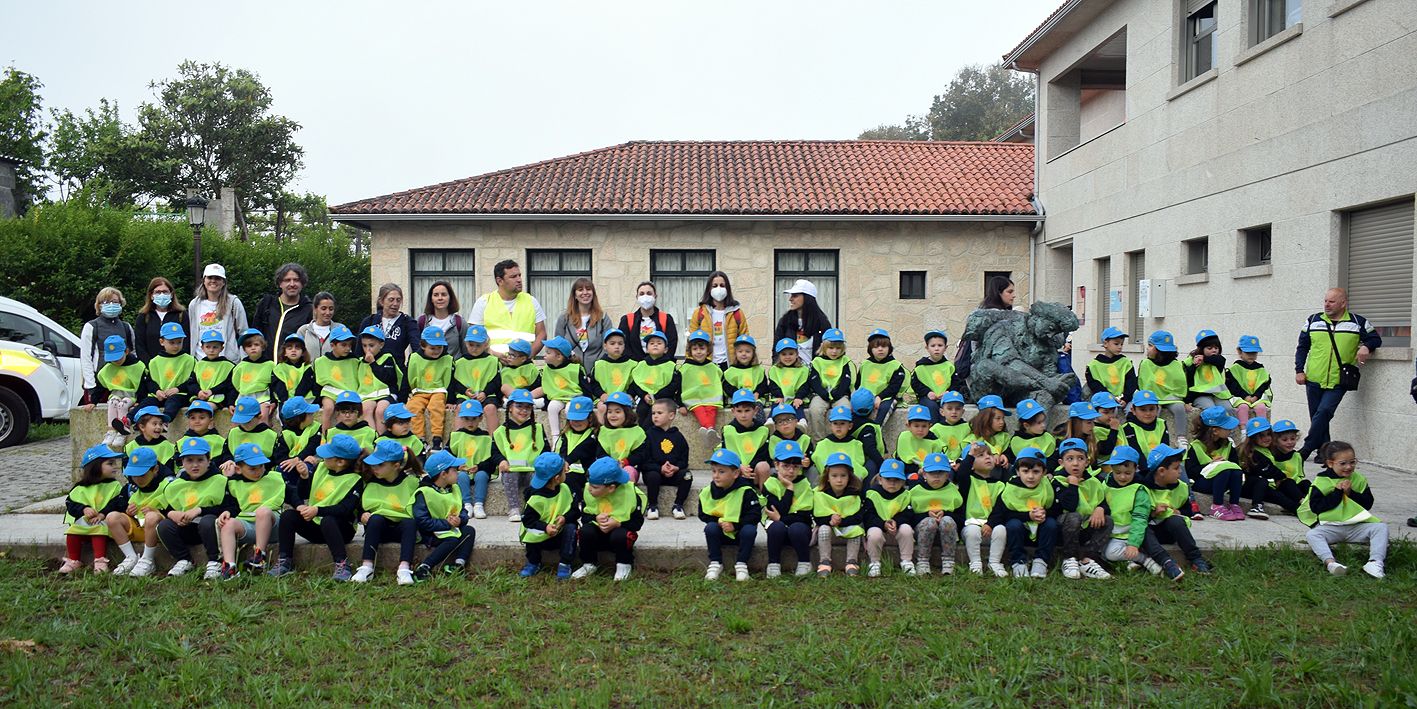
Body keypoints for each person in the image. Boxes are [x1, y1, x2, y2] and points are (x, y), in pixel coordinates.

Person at [1295, 288, 1381, 462]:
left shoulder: (1357, 322)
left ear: (1343, 303)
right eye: (1325, 301)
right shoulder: (1313, 320)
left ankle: (1307, 447)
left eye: (1331, 301)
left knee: (1324, 411)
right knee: (1319, 416)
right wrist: (1299, 370)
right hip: (1314, 378)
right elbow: (1302, 347)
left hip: (1339, 379)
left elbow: (1375, 338)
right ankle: (1325, 453)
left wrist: (1366, 346)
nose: (1327, 304)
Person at [268, 433, 364, 581]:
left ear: (340, 462)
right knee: (288, 516)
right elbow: (302, 493)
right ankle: (284, 560)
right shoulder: (321, 468)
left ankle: (342, 564)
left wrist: (317, 510)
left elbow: (345, 509)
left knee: (328, 520)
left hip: (341, 530)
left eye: (328, 455)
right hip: (316, 526)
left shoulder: (355, 480)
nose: (323, 457)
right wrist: (304, 477)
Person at [1299, 441, 1386, 578]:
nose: (1349, 467)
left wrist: (1351, 493)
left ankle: (1375, 562)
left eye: (1352, 462)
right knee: (1313, 535)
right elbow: (1317, 508)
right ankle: (1331, 563)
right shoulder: (1321, 481)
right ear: (1330, 463)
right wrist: (1337, 493)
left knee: (1380, 528)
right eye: (1343, 463)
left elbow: (1368, 504)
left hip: (1356, 526)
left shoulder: (1359, 479)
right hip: (1331, 527)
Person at [156, 437, 232, 578]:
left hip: (211, 530)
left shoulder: (220, 480)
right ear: (182, 462)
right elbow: (165, 507)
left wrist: (200, 510)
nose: (195, 465)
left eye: (200, 460)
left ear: (209, 460)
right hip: (186, 527)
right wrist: (172, 514)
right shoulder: (176, 484)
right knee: (164, 525)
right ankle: (184, 560)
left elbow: (227, 507)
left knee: (207, 520)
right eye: (189, 460)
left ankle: (214, 561)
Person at [990, 447, 1071, 579]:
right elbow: (1004, 514)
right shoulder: (1010, 489)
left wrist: (1045, 512)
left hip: (1041, 532)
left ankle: (1041, 560)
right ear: (1017, 471)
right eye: (1025, 471)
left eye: (1036, 472)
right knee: (1013, 525)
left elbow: (1057, 509)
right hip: (1021, 532)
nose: (1031, 476)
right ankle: (1018, 561)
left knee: (1051, 524)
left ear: (1044, 472)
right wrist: (1028, 516)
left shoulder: (1049, 486)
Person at [353, 439, 423, 585]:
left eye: (380, 465)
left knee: (409, 522)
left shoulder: (412, 482)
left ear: (396, 466)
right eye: (374, 464)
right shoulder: (370, 482)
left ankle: (404, 569)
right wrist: (362, 514)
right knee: (376, 519)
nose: (375, 468)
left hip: (403, 532)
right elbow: (360, 506)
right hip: (378, 530)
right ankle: (367, 567)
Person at [214, 443, 284, 580]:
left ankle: (260, 557)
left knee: (262, 512)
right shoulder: (234, 483)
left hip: (273, 526)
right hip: (249, 526)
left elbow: (295, 494)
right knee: (228, 523)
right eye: (253, 468)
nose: (259, 471)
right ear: (238, 469)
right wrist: (226, 511)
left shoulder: (275, 478)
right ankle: (229, 566)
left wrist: (300, 505)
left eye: (261, 466)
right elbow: (231, 505)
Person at [571, 456, 647, 581]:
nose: (589, 489)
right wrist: (595, 518)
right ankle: (589, 563)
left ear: (611, 488)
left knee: (620, 535)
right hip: (598, 535)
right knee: (585, 531)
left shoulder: (631, 493)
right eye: (589, 484)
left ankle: (624, 564)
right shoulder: (588, 491)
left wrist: (618, 523)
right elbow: (584, 517)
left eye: (595, 487)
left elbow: (637, 523)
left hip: (619, 535)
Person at [1143, 443, 1214, 577]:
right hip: (1149, 533)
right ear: (1162, 471)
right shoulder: (1143, 488)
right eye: (1176, 468)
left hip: (1169, 531)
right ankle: (1167, 562)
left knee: (1175, 521)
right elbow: (1136, 516)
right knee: (1142, 530)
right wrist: (1152, 513)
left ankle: (1196, 559)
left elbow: (1188, 510)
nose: (1180, 472)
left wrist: (1179, 512)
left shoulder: (1181, 487)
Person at [58, 444, 127, 574]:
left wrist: (102, 514)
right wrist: (83, 509)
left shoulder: (115, 486)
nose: (115, 467)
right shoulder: (80, 487)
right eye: (110, 463)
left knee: (98, 528)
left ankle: (99, 560)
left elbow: (117, 503)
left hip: (104, 523)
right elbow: (71, 504)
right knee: (72, 531)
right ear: (95, 466)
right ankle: (73, 560)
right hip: (84, 523)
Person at [412, 450, 476, 580]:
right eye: (454, 470)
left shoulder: (454, 488)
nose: (458, 473)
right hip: (430, 533)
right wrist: (446, 523)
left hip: (450, 528)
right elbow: (422, 521)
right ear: (443, 474)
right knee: (451, 540)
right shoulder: (424, 492)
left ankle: (459, 565)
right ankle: (425, 566)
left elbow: (462, 510)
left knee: (469, 531)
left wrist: (460, 520)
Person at [700, 448, 763, 582]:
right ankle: (715, 563)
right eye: (714, 471)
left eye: (721, 472)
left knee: (750, 530)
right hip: (721, 531)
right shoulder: (707, 491)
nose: (716, 475)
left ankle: (741, 564)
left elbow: (755, 514)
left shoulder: (746, 491)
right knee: (710, 528)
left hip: (739, 532)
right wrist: (718, 522)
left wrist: (735, 525)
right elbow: (703, 514)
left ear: (735, 473)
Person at [1054, 438, 1111, 580]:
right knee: (1074, 516)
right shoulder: (1057, 481)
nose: (1075, 463)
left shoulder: (1094, 482)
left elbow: (1104, 504)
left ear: (1086, 462)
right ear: (1061, 463)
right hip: (1064, 529)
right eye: (1070, 459)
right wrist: (1073, 485)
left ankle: (1086, 559)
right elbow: (1069, 506)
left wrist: (1100, 508)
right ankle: (1069, 558)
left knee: (1108, 521)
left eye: (1080, 458)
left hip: (1085, 526)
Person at [469, 259, 548, 359]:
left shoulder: (531, 301)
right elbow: (474, 337)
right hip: (492, 365)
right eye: (513, 277)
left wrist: (527, 356)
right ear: (500, 281)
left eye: (519, 275)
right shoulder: (484, 302)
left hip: (523, 367)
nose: (519, 280)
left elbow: (541, 334)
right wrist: (494, 354)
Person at [490, 389, 547, 523]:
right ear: (510, 407)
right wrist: (501, 461)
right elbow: (494, 452)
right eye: (519, 406)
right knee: (510, 476)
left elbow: (546, 450)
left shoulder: (538, 428)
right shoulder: (500, 431)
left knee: (537, 479)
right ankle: (514, 508)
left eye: (528, 407)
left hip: (532, 471)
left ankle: (532, 507)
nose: (524, 410)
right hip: (511, 471)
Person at [520, 452, 579, 580]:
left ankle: (565, 563)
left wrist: (565, 518)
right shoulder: (534, 498)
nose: (566, 473)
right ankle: (533, 562)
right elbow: (528, 521)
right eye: (564, 471)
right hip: (540, 535)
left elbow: (575, 511)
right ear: (557, 478)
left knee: (571, 527)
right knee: (531, 533)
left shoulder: (566, 489)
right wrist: (545, 527)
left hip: (560, 533)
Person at [763, 440, 815, 578]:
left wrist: (780, 518)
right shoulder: (770, 484)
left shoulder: (804, 484)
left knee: (797, 527)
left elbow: (804, 515)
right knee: (776, 527)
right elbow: (777, 508)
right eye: (786, 466)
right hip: (778, 532)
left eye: (796, 466)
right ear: (776, 465)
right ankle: (773, 564)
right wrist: (789, 489)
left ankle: (804, 562)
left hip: (799, 531)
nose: (791, 471)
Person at [79, 287, 137, 405]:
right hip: (98, 381)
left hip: (122, 382)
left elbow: (133, 353)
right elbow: (85, 358)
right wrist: (90, 385)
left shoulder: (126, 327)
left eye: (115, 302)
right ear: (99, 305)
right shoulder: (91, 326)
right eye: (106, 302)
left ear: (121, 304)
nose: (111, 305)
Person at [84, 335, 143, 447]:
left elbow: (142, 385)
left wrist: (140, 400)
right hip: (115, 394)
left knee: (123, 405)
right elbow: (100, 387)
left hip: (130, 395)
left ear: (126, 351)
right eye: (112, 359)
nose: (115, 361)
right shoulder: (107, 368)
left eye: (118, 358)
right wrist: (93, 401)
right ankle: (111, 430)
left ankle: (122, 431)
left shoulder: (138, 366)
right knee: (112, 402)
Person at [1187, 405, 1245, 521]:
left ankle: (1234, 504)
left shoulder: (1227, 444)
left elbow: (1235, 464)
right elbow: (1190, 472)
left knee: (1236, 472)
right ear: (1215, 431)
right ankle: (1216, 506)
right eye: (1227, 427)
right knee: (1224, 471)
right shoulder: (1196, 446)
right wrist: (1211, 465)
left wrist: (1224, 463)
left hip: (1223, 483)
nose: (1230, 430)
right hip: (1203, 483)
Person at [813, 451, 866, 577]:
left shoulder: (855, 494)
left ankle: (851, 562)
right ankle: (824, 561)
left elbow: (858, 517)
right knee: (823, 529)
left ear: (849, 477)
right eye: (834, 476)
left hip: (846, 527)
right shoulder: (820, 493)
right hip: (829, 528)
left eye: (843, 476)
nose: (839, 480)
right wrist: (829, 520)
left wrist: (841, 521)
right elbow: (817, 516)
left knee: (856, 530)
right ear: (827, 477)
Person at [910, 452, 963, 576]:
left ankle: (948, 561)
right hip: (923, 529)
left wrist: (946, 513)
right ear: (924, 474)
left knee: (948, 521)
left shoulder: (953, 490)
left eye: (941, 473)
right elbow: (909, 517)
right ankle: (922, 561)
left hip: (947, 530)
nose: (937, 477)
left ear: (947, 474)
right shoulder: (915, 491)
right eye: (932, 473)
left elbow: (961, 517)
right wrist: (926, 515)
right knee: (929, 522)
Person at [863, 459, 916, 577]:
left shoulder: (906, 495)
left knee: (906, 529)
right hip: (878, 525)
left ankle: (907, 561)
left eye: (896, 480)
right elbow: (868, 516)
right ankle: (874, 562)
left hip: (897, 525)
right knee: (874, 533)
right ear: (880, 480)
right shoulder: (872, 494)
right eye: (888, 479)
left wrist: (896, 521)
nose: (892, 483)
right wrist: (883, 524)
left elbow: (908, 514)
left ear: (903, 481)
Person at [135, 322, 196, 422]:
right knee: (146, 402)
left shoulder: (190, 360)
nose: (176, 346)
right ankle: (128, 420)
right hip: (159, 395)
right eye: (172, 342)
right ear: (162, 342)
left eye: (179, 342)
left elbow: (193, 380)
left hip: (181, 394)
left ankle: (165, 421)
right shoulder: (154, 361)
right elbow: (149, 381)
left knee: (173, 401)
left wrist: (178, 389)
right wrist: (157, 391)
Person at [640, 399, 690, 520]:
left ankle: (678, 505)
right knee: (652, 476)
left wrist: (676, 467)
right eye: (653, 413)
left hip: (673, 473)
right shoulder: (648, 435)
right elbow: (644, 462)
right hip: (655, 473)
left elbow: (684, 460)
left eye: (659, 413)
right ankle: (652, 506)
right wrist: (660, 468)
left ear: (671, 415)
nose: (655, 416)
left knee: (687, 475)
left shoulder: (678, 436)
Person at [186, 263, 248, 362]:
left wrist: (245, 359)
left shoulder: (233, 302)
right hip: (201, 361)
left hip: (228, 361)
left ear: (223, 282)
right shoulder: (195, 304)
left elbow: (244, 332)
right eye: (210, 277)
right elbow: (192, 332)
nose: (213, 281)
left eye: (218, 278)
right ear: (204, 280)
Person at [1137, 330, 1189, 446]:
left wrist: (1184, 401)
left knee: (1179, 408)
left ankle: (1181, 437)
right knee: (1153, 410)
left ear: (1159, 350)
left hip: (1172, 397)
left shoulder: (1177, 365)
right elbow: (1143, 383)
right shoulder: (1146, 363)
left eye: (1150, 346)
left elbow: (1181, 384)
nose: (1147, 348)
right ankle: (1149, 434)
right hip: (1153, 397)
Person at [405, 326, 453, 450]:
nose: (437, 351)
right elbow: (408, 377)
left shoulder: (448, 359)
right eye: (432, 348)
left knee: (436, 407)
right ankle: (419, 438)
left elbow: (452, 381)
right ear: (422, 345)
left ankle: (437, 438)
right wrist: (406, 395)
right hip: (420, 391)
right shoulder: (414, 357)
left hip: (438, 391)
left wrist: (451, 400)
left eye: (439, 348)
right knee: (413, 407)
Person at [449, 399, 497, 519]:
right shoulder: (455, 436)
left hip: (480, 470)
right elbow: (448, 456)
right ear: (461, 418)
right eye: (466, 418)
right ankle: (467, 504)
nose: (470, 422)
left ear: (481, 418)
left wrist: (480, 466)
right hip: (462, 471)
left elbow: (491, 460)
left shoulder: (486, 437)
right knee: (461, 476)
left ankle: (479, 504)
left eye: (474, 418)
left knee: (481, 476)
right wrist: (456, 466)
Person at [449, 324, 502, 433]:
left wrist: (485, 393)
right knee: (460, 408)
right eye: (471, 345)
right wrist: (465, 391)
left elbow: (496, 381)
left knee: (490, 408)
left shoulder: (492, 361)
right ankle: (458, 440)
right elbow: (456, 382)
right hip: (466, 395)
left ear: (485, 344)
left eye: (478, 345)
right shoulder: (460, 362)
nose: (474, 348)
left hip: (487, 395)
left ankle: (494, 442)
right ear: (466, 343)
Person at [688, 271, 748, 366]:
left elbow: (745, 340)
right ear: (709, 289)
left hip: (730, 364)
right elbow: (690, 341)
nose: (718, 289)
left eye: (722, 285)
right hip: (706, 364)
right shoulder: (699, 313)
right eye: (715, 286)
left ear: (727, 288)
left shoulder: (737, 313)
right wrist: (690, 362)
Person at [553, 277, 614, 371]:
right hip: (570, 371)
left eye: (588, 289)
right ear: (575, 295)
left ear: (593, 294)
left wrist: (597, 367)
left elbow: (608, 347)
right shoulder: (564, 318)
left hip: (598, 372)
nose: (585, 293)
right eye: (580, 290)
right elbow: (558, 345)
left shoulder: (603, 318)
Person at [251, 263, 313, 354]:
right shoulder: (266, 304)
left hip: (293, 367)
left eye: (296, 280)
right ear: (280, 283)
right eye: (287, 280)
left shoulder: (309, 309)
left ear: (302, 283)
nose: (292, 284)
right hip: (266, 365)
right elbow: (255, 335)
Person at [541, 336, 591, 446]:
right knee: (552, 407)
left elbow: (585, 387)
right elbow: (547, 387)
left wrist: (588, 401)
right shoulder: (546, 369)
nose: (545, 355)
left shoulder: (575, 368)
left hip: (574, 397)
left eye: (548, 353)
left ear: (559, 356)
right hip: (558, 397)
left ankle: (570, 434)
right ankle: (555, 437)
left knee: (570, 409)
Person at [804, 328, 854, 438]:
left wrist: (838, 393)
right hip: (821, 394)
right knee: (815, 410)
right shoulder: (817, 361)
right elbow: (814, 380)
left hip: (839, 394)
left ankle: (842, 439)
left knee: (846, 409)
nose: (834, 351)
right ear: (824, 347)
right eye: (831, 348)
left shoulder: (844, 361)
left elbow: (846, 379)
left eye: (838, 348)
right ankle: (819, 441)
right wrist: (823, 393)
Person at [616, 281, 679, 361]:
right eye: (641, 294)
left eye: (649, 293)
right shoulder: (627, 320)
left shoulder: (666, 318)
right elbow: (624, 345)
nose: (645, 296)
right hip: (635, 367)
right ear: (637, 297)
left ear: (655, 296)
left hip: (660, 365)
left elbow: (671, 344)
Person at [722, 389, 773, 487]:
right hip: (736, 469)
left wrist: (748, 469)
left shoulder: (763, 430)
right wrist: (739, 467)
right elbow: (726, 454)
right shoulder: (727, 430)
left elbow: (763, 455)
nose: (743, 415)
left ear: (755, 410)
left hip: (754, 472)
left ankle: (764, 496)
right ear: (733, 411)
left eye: (747, 410)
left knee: (764, 466)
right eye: (739, 411)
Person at [773, 279, 831, 364]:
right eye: (791, 295)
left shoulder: (822, 322)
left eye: (795, 295)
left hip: (815, 374)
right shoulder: (785, 321)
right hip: (791, 374)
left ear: (807, 298)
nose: (790, 299)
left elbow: (830, 349)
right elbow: (776, 349)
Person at [679, 331, 726, 434]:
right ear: (690, 351)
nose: (698, 352)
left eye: (702, 348)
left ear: (708, 350)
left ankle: (709, 431)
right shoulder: (685, 368)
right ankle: (710, 429)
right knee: (699, 410)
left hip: (711, 400)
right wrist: (680, 404)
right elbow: (678, 387)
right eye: (695, 349)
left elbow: (721, 381)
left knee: (712, 410)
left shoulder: (713, 367)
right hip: (693, 400)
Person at [359, 283, 418, 363]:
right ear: (381, 301)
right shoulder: (370, 321)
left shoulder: (408, 322)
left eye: (398, 300)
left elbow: (417, 350)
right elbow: (358, 351)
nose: (395, 304)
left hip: (396, 372)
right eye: (391, 300)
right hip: (370, 371)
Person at [627, 330, 679, 421]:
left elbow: (673, 385)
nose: (655, 345)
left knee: (656, 414)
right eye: (652, 343)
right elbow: (636, 383)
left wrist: (656, 396)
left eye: (659, 343)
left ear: (666, 349)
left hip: (663, 399)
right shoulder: (641, 365)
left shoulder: (671, 365)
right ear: (647, 349)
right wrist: (643, 395)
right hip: (645, 398)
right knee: (641, 411)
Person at [856, 329, 905, 427]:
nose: (880, 349)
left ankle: (876, 431)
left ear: (889, 348)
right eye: (876, 346)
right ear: (870, 349)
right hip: (866, 397)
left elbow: (894, 388)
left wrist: (879, 397)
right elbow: (858, 385)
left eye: (884, 346)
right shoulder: (865, 364)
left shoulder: (896, 366)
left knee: (883, 410)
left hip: (886, 398)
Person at [910, 330, 960, 424]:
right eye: (933, 346)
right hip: (927, 397)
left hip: (945, 397)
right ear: (927, 348)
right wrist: (927, 392)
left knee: (948, 408)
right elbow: (915, 384)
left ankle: (945, 429)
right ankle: (934, 430)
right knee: (931, 407)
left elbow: (956, 383)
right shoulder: (921, 367)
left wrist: (948, 392)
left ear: (945, 348)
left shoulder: (949, 366)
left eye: (940, 345)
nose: (936, 349)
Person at [132, 277, 186, 363]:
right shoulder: (144, 316)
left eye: (165, 292)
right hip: (152, 367)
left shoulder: (181, 314)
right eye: (157, 292)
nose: (162, 295)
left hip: (177, 366)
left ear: (171, 294)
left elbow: (186, 343)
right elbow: (140, 345)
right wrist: (150, 366)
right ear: (151, 295)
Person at [1227, 335, 1272, 427]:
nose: (1251, 355)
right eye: (1248, 352)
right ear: (1239, 352)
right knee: (1243, 407)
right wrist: (1245, 396)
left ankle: (1263, 428)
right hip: (1240, 397)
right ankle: (1244, 429)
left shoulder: (1260, 368)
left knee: (1261, 407)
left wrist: (1256, 396)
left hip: (1256, 397)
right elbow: (1233, 385)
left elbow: (1264, 384)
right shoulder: (1235, 368)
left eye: (1254, 353)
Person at [1184, 329, 1232, 415]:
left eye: (1216, 348)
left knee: (1228, 409)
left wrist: (1204, 358)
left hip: (1217, 395)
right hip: (1199, 396)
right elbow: (1188, 380)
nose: (1214, 350)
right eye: (1209, 348)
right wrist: (1194, 366)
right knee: (1211, 410)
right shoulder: (1191, 361)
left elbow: (1220, 360)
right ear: (1201, 349)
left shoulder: (1217, 360)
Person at [1085, 327, 1137, 402]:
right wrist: (1110, 398)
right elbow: (1095, 385)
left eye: (1121, 344)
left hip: (1125, 400)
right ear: (1105, 343)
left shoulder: (1126, 363)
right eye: (1116, 344)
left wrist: (1125, 399)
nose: (1120, 347)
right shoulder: (1093, 366)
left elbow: (1131, 383)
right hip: (1103, 402)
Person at [766, 338, 810, 423]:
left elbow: (805, 385)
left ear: (797, 354)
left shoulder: (803, 369)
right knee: (776, 404)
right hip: (780, 397)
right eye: (784, 354)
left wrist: (799, 397)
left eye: (791, 354)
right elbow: (773, 385)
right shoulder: (775, 369)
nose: (787, 357)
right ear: (779, 355)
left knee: (797, 405)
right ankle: (770, 419)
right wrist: (779, 396)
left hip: (796, 397)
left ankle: (802, 421)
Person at [415, 280, 466, 352]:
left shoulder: (460, 323)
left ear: (450, 298)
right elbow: (416, 351)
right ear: (431, 299)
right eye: (436, 295)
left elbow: (466, 352)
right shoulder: (422, 322)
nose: (440, 298)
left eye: (444, 294)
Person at [295, 291, 339, 357]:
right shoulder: (303, 330)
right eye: (323, 308)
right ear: (315, 309)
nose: (328, 312)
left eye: (331, 309)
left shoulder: (339, 329)